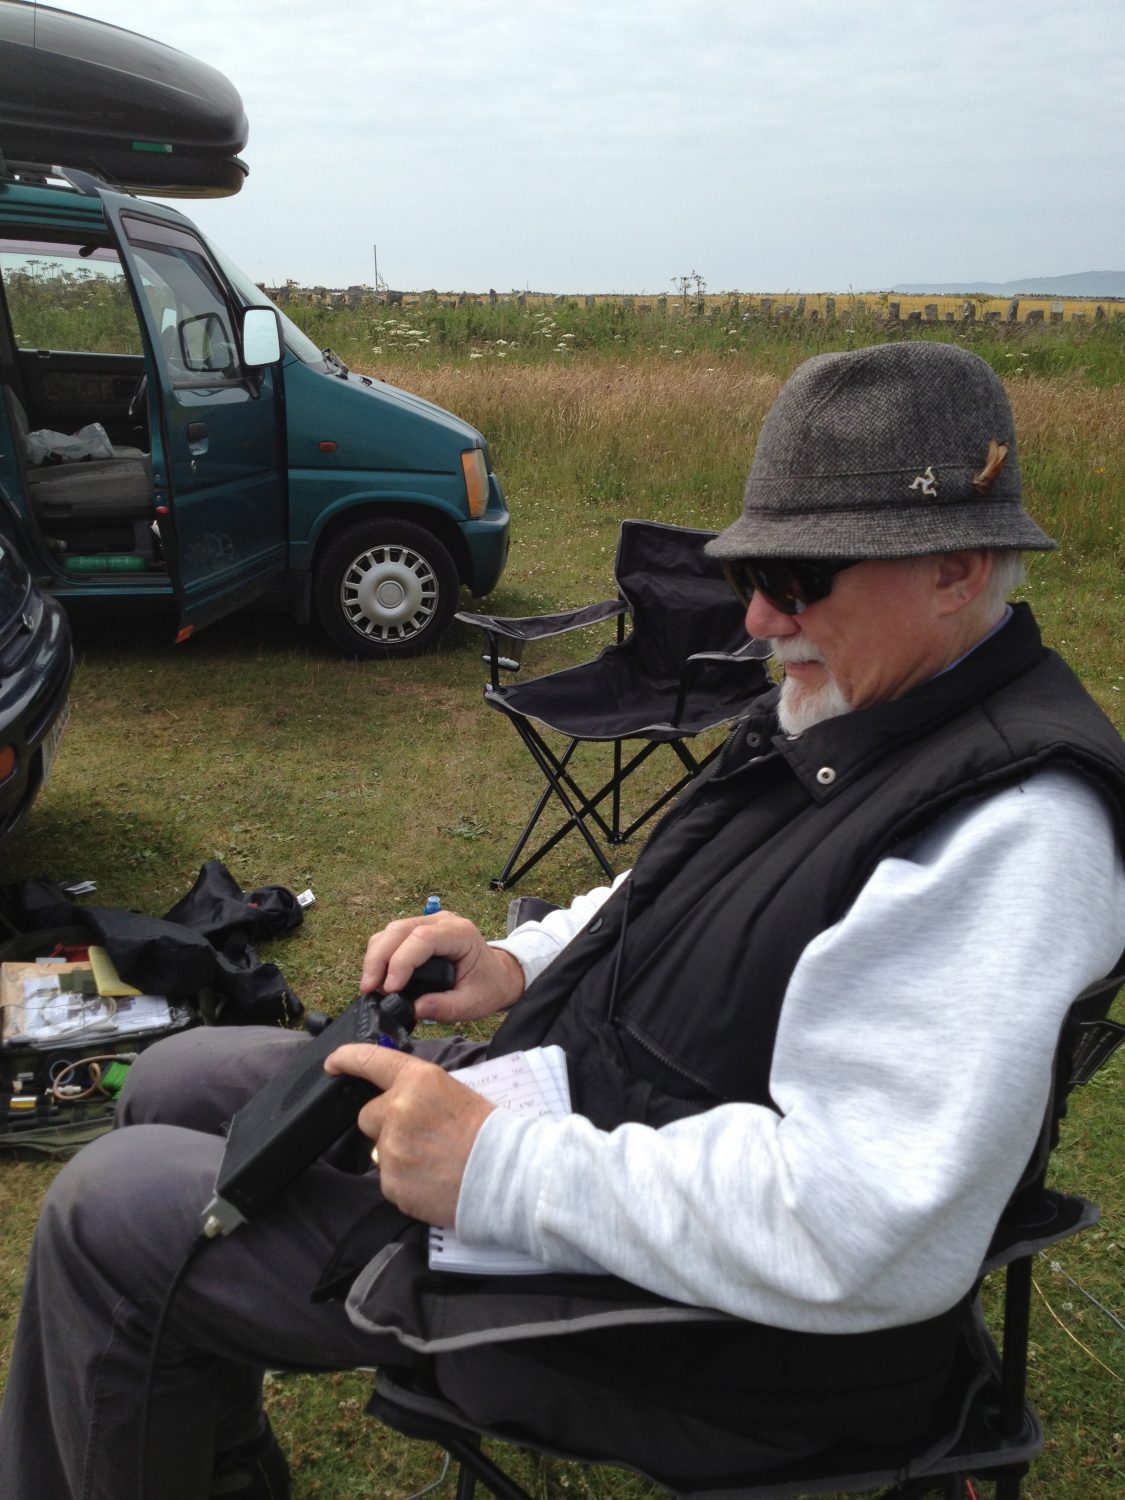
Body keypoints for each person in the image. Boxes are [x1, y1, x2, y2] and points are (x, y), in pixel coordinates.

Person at [1, 341, 1123, 1500]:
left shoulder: (1014, 833)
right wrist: (512, 959)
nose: (756, 613)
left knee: (109, 1214)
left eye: (800, 577)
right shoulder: (868, 703)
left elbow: (865, 1224)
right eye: (756, 568)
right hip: (596, 1130)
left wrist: (498, 1167)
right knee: (180, 1075)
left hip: (712, 1334)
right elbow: (682, 888)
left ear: (957, 566)